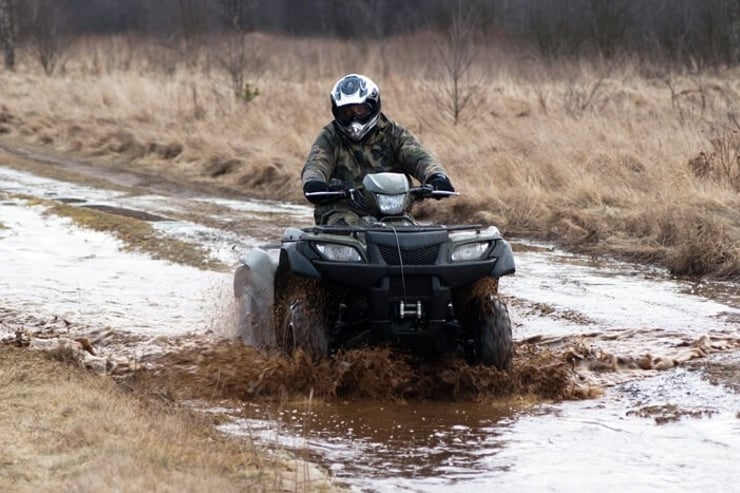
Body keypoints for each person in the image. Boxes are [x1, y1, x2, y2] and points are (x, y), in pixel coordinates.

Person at [301, 73, 455, 225]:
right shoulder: (330, 136)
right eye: (346, 112)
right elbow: (317, 162)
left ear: (373, 106)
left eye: (359, 110)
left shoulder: (393, 133)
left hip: (392, 210)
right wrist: (314, 182)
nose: (354, 118)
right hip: (343, 208)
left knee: (410, 236)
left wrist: (436, 176)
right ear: (336, 112)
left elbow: (418, 157)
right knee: (344, 229)